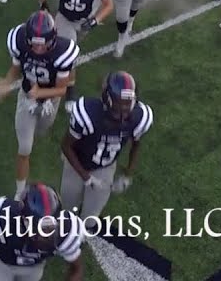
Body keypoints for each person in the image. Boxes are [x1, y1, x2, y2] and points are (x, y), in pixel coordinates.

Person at [0, 9, 79, 197]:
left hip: (50, 101)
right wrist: (7, 82)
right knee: (25, 148)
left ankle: (35, 133)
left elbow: (62, 89)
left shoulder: (62, 52)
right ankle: (20, 192)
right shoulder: (20, 42)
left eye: (43, 44)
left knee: (41, 131)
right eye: (34, 43)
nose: (38, 48)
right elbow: (15, 68)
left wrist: (42, 92)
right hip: (27, 98)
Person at [60, 71, 153, 226]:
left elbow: (136, 144)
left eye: (127, 106)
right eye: (118, 106)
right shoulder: (89, 114)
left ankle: (80, 235)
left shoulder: (139, 118)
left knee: (90, 219)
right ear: (106, 99)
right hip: (77, 162)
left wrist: (127, 175)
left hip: (105, 167)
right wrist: (86, 177)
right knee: (67, 209)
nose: (123, 112)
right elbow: (66, 145)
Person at [0, 183, 86, 279]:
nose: (48, 235)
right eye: (41, 230)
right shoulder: (2, 216)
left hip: (34, 268)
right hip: (3, 263)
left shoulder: (68, 231)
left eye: (51, 228)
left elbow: (76, 269)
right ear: (24, 221)